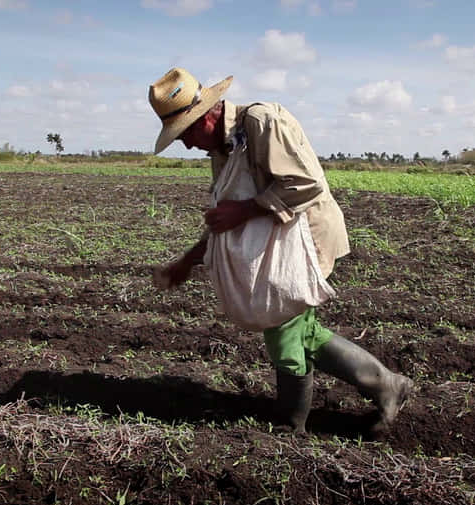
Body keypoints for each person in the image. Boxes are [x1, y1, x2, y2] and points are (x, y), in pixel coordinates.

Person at [148, 67, 414, 436]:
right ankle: (387, 385)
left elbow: (307, 185)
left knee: (281, 324)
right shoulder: (224, 148)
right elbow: (227, 217)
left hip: (304, 242)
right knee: (300, 331)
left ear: (208, 113)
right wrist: (187, 261)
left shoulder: (260, 122)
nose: (188, 145)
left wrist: (244, 211)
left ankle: (292, 425)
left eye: (187, 132)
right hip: (275, 244)